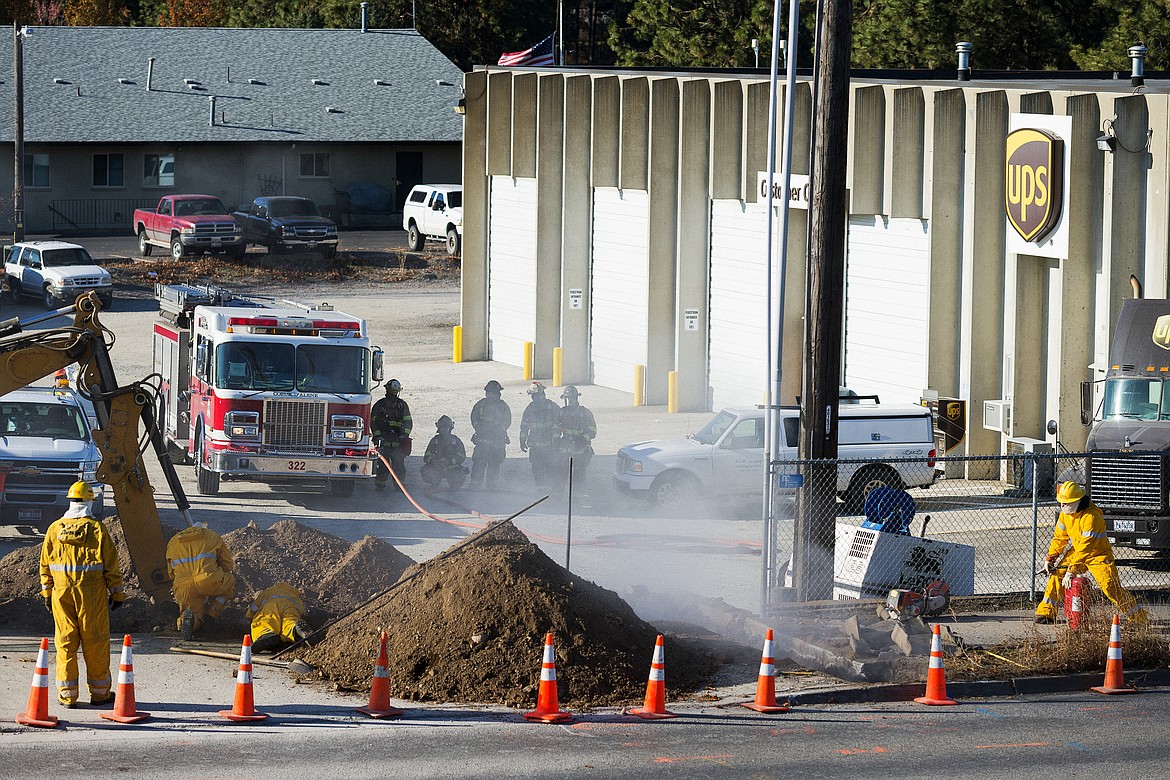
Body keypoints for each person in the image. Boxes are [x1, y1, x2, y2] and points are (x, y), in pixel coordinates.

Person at [39, 481, 124, 707]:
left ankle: (67, 696)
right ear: (89, 502)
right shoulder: (97, 530)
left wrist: (47, 593)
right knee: (95, 642)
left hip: (61, 594)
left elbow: (45, 566)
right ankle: (100, 694)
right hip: (91, 595)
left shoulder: (54, 529)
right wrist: (118, 595)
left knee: (65, 642)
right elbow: (111, 566)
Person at [1035, 481, 1148, 626]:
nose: (1062, 506)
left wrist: (1071, 571)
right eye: (1061, 502)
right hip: (1078, 550)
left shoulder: (1092, 517)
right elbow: (1059, 538)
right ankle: (1046, 613)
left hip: (1098, 554)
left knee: (1110, 586)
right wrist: (1050, 559)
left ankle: (1139, 618)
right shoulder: (1065, 514)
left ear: (1077, 502)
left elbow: (1086, 549)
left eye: (1066, 503)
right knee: (1057, 575)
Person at [166, 522, 236, 640]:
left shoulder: (173, 541)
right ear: (204, 529)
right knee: (230, 583)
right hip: (208, 579)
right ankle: (211, 616)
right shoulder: (212, 536)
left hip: (183, 585)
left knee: (192, 612)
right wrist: (221, 573)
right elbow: (227, 565)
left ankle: (188, 622)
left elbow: (171, 573)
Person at [370, 378, 413, 492]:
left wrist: (404, 436)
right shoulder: (379, 405)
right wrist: (378, 437)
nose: (393, 395)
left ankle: (400, 486)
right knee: (383, 465)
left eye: (395, 392)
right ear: (387, 390)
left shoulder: (402, 406)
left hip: (398, 440)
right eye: (391, 391)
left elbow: (408, 422)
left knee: (399, 464)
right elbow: (373, 423)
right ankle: (380, 485)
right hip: (383, 440)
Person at [246, 582, 311, 654]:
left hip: (270, 607)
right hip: (291, 607)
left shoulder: (268, 591)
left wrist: (250, 616)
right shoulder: (296, 597)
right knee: (289, 623)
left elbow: (252, 610)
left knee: (263, 623)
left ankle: (266, 634)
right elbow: (303, 613)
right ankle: (296, 629)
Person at [469, 379, 511, 488]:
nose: (491, 395)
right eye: (489, 393)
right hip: (483, 438)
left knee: (495, 461)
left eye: (493, 393)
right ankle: (475, 483)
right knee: (479, 460)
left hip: (498, 439)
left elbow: (507, 421)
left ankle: (492, 484)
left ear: (498, 394)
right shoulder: (480, 405)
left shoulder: (503, 407)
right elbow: (474, 418)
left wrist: (499, 430)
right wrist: (479, 428)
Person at [518, 381, 561, 487]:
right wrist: (522, 440)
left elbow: (560, 422)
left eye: (537, 395)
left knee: (551, 468)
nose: (535, 398)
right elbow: (524, 426)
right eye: (533, 396)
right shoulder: (530, 409)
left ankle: (550, 490)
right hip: (535, 446)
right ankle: (541, 490)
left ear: (542, 394)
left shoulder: (552, 407)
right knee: (537, 469)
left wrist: (557, 439)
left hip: (550, 445)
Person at [556, 385, 597, 485]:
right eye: (567, 398)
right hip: (565, 451)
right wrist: (556, 440)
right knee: (560, 477)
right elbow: (555, 427)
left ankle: (578, 499)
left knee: (579, 478)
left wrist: (582, 440)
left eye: (571, 398)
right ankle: (557, 498)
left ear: (576, 398)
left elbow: (592, 430)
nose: (569, 401)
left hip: (581, 451)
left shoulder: (585, 413)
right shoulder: (561, 413)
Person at [420, 415, 468, 489]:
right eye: (442, 428)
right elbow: (426, 456)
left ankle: (455, 484)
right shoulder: (435, 441)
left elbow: (462, 456)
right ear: (439, 428)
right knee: (426, 470)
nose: (444, 430)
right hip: (437, 466)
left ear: (450, 428)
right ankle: (435, 482)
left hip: (451, 467)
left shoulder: (455, 441)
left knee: (457, 474)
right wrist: (433, 461)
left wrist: (450, 461)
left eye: (446, 427)